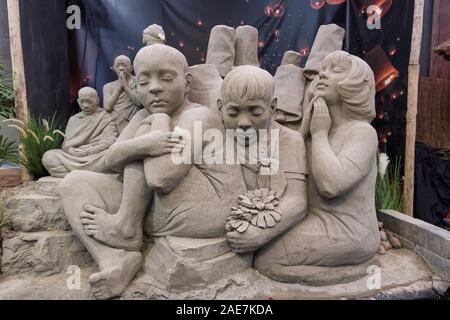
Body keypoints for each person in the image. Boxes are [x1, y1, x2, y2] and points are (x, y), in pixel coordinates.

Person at [58, 44, 244, 300]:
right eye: (144, 82)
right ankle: (115, 260)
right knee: (73, 183)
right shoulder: (142, 116)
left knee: (144, 142)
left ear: (186, 81)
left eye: (166, 78)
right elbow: (111, 159)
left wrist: (156, 124)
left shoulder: (198, 116)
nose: (154, 88)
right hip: (161, 204)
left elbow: (161, 177)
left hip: (204, 210)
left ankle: (125, 226)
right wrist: (143, 144)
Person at [255, 51, 380, 285]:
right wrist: (304, 133)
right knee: (260, 243)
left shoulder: (362, 132)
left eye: (336, 70)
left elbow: (331, 186)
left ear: (356, 84)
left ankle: (356, 271)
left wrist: (320, 133)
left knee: (267, 260)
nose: (323, 74)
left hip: (348, 230)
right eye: (323, 70)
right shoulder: (314, 132)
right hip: (313, 219)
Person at [218, 65, 308, 254]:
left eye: (255, 112)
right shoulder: (214, 138)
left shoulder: (289, 141)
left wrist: (260, 234)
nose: (243, 122)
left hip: (268, 226)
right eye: (233, 113)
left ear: (273, 107)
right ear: (220, 108)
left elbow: (297, 201)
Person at [42, 87, 118, 178]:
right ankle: (80, 175)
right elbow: (66, 144)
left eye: (89, 101)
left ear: (97, 100)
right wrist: (71, 150)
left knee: (114, 155)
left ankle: (74, 174)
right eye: (82, 102)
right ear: (78, 102)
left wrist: (96, 148)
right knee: (48, 156)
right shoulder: (73, 119)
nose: (85, 105)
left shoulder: (104, 117)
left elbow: (111, 139)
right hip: (74, 157)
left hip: (96, 155)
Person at [103, 55, 142, 133]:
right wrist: (119, 87)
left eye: (123, 65)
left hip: (134, 120)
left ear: (131, 68)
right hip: (115, 121)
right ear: (114, 68)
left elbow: (140, 103)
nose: (120, 68)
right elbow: (107, 107)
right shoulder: (108, 86)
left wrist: (126, 88)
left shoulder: (138, 82)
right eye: (117, 65)